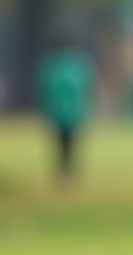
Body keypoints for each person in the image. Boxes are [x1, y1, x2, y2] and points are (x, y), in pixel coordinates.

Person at [34, 34, 96, 182]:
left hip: (60, 111)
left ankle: (64, 169)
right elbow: (87, 87)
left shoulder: (51, 63)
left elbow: (43, 88)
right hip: (72, 111)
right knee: (68, 143)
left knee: (62, 142)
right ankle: (67, 169)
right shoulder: (79, 62)